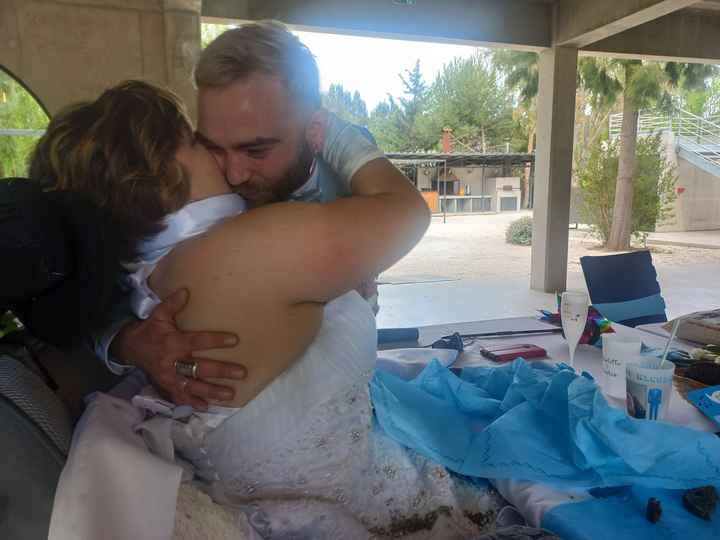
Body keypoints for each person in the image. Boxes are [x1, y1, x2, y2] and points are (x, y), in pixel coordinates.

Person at [37, 80, 510, 538]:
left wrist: (119, 340)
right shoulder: (242, 249)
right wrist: (339, 137)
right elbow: (407, 213)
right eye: (201, 143)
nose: (226, 161)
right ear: (162, 170)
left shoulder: (151, 276)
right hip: (359, 512)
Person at [94, 21, 383, 409]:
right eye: (213, 147)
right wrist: (129, 343)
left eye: (256, 151)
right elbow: (102, 276)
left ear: (315, 131)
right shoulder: (197, 185)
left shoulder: (354, 166)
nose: (232, 175)